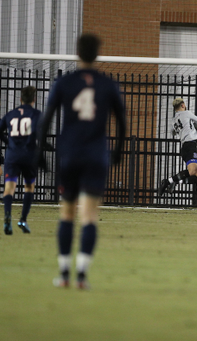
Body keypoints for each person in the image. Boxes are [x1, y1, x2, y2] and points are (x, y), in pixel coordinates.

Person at [38, 33, 126, 289]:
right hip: (96, 157)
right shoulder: (107, 84)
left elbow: (47, 118)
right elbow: (121, 122)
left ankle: (64, 272)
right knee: (89, 216)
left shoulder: (64, 82)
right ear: (97, 54)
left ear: (77, 52)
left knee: (66, 214)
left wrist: (40, 151)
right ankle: (83, 274)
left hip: (71, 156)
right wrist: (118, 151)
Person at [0, 86, 41, 235]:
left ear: (20, 99)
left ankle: (7, 217)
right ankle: (22, 220)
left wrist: (9, 143)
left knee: (9, 188)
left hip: (12, 156)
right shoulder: (36, 114)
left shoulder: (11, 114)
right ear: (34, 99)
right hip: (28, 155)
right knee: (29, 187)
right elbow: (40, 132)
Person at [157, 98, 197, 196]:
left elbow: (173, 132)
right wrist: (191, 126)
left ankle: (176, 182)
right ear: (183, 105)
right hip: (190, 144)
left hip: (184, 146)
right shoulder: (186, 113)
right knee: (192, 171)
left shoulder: (174, 120)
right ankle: (168, 181)